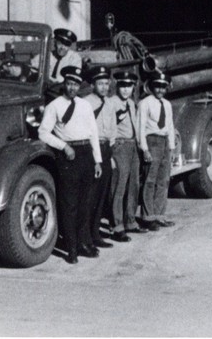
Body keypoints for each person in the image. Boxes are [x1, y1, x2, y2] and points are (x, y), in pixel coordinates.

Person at [37, 66, 102, 264]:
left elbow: (93, 133)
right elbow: (43, 132)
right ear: (64, 84)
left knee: (85, 203)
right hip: (69, 157)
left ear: (80, 85)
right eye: (69, 83)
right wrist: (63, 146)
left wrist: (97, 160)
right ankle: (71, 248)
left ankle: (83, 243)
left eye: (76, 84)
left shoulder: (85, 105)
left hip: (86, 155)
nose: (72, 87)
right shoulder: (54, 106)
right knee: (69, 204)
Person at [108, 71, 147, 242]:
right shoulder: (112, 103)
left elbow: (137, 126)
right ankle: (117, 226)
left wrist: (141, 146)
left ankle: (130, 221)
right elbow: (108, 126)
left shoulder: (132, 103)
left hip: (132, 146)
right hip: (120, 145)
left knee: (134, 185)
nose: (125, 90)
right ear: (117, 86)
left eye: (129, 86)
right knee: (119, 186)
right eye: (122, 86)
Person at [137, 69, 176, 231]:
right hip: (152, 142)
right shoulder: (144, 103)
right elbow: (140, 128)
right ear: (152, 86)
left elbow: (170, 127)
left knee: (163, 180)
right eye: (157, 86)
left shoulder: (167, 104)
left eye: (163, 87)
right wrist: (145, 149)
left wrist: (172, 148)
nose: (160, 90)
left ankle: (160, 215)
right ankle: (148, 217)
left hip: (164, 142)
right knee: (149, 180)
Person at [83, 65, 116, 249]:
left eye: (106, 83)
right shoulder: (86, 102)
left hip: (105, 148)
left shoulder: (110, 103)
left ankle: (95, 234)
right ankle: (86, 236)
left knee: (102, 194)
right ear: (93, 84)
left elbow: (112, 130)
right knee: (90, 194)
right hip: (91, 149)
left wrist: (110, 155)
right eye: (100, 83)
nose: (104, 87)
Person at [42, 28, 82, 100]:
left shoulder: (74, 58)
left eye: (66, 45)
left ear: (69, 46)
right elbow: (33, 66)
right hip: (44, 92)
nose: (62, 47)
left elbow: (71, 80)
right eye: (60, 43)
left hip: (62, 94)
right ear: (55, 43)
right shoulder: (48, 55)